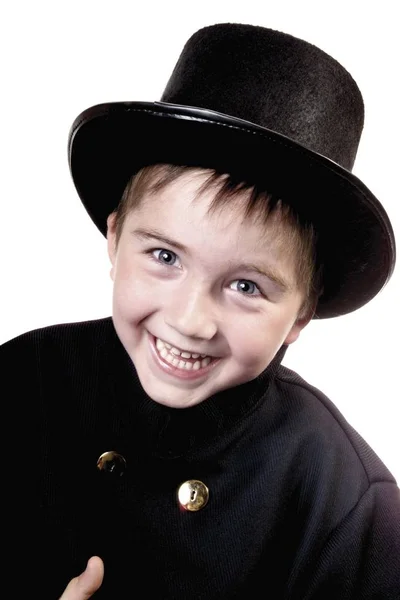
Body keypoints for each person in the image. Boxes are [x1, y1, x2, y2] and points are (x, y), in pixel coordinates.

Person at [2, 23, 399, 600]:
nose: (191, 320)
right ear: (115, 241)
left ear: (301, 314)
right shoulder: (22, 382)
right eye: (165, 256)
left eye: (246, 286)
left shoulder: (345, 502)